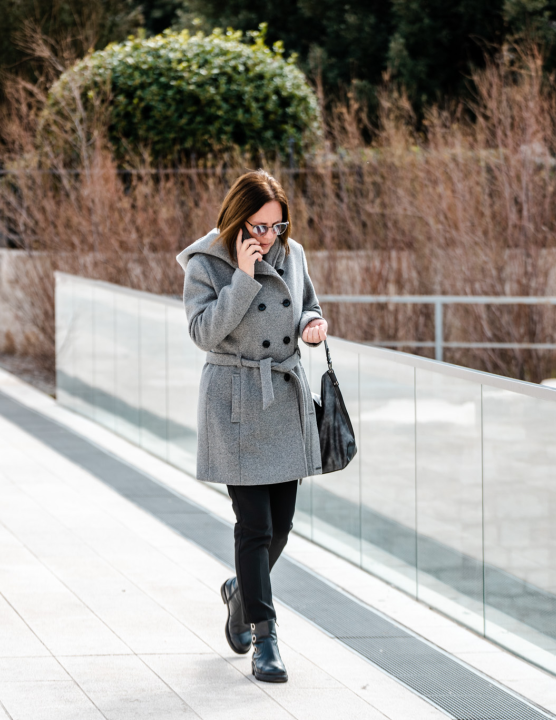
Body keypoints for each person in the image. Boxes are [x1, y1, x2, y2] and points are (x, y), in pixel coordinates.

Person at [176, 170, 328, 684]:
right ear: (237, 220)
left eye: (276, 225)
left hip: (283, 400)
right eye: (258, 226)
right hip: (236, 402)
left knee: (281, 527)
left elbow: (308, 301)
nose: (268, 237)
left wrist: (311, 322)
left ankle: (240, 594)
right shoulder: (205, 263)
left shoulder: (294, 253)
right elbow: (202, 332)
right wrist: (241, 278)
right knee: (255, 526)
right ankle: (266, 636)